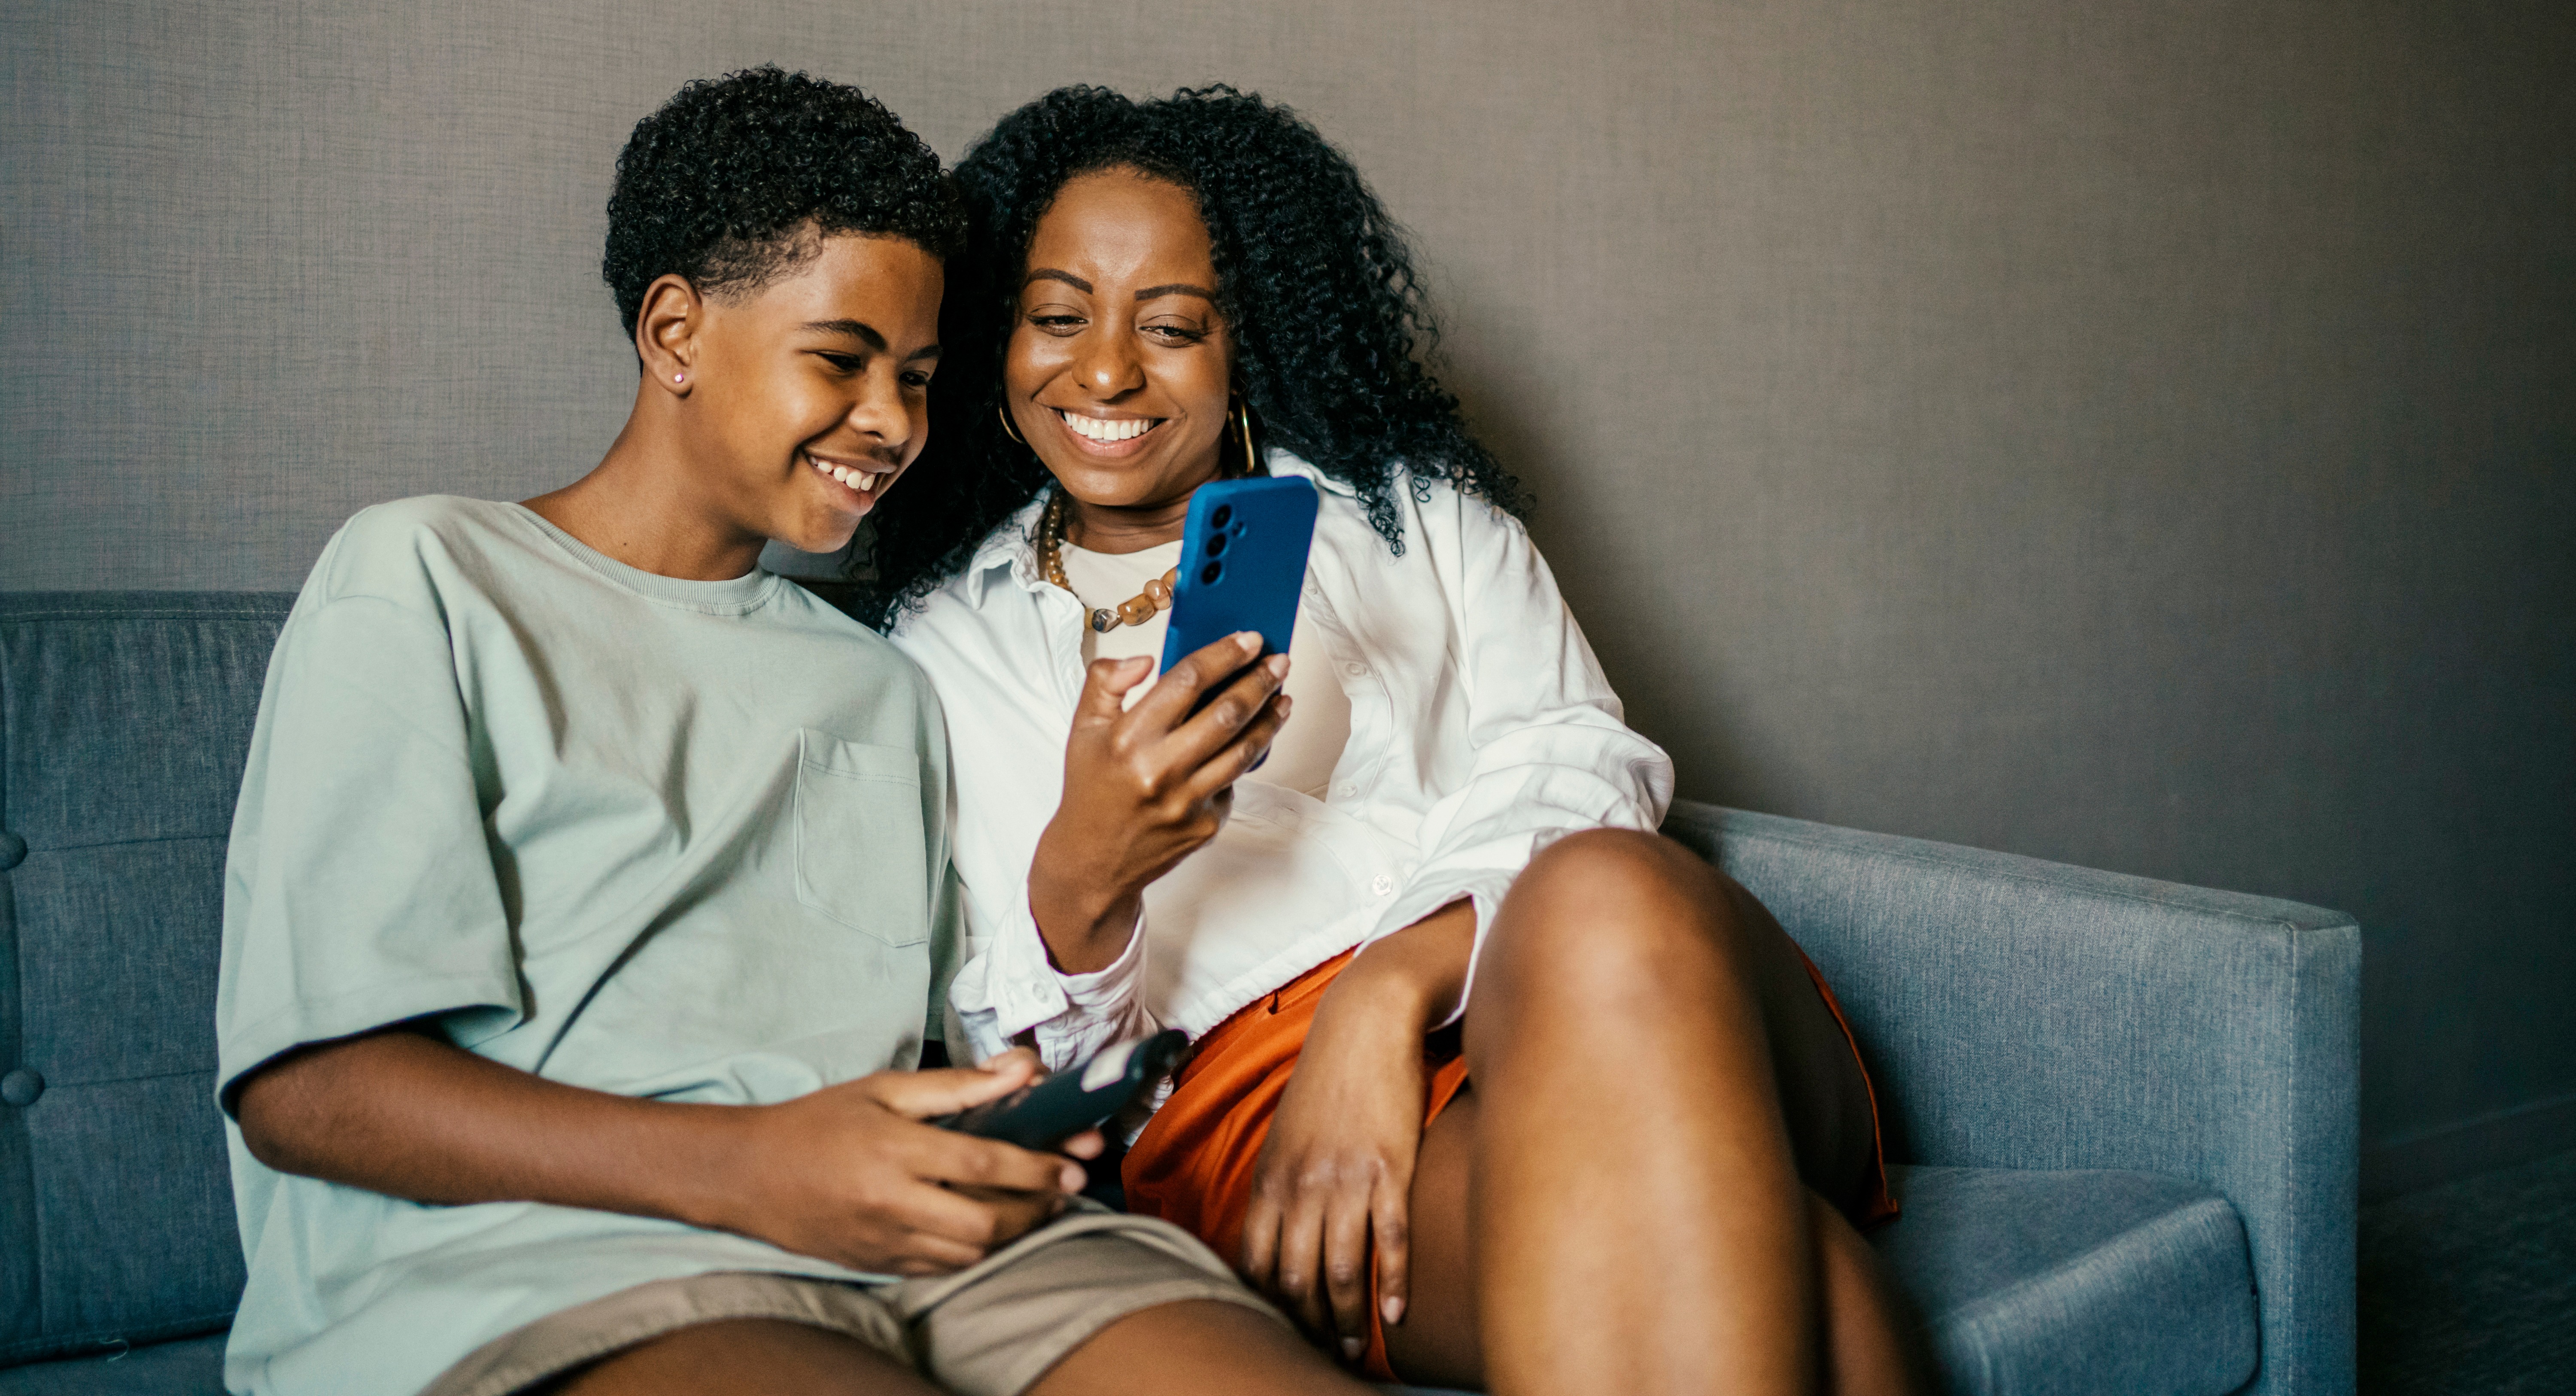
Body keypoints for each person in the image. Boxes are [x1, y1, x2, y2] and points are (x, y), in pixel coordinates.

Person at [214, 68, 1370, 1396]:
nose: (893, 423)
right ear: (674, 334)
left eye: (922, 378)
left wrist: (1070, 959)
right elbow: (311, 1092)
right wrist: (760, 1167)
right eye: (842, 359)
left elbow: (953, 1040)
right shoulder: (427, 575)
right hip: (567, 1265)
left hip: (939, 1257)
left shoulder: (882, 680)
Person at [870, 86, 1927, 1396]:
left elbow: (1587, 761)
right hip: (1254, 1094)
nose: (1105, 373)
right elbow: (1037, 1085)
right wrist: (1087, 873)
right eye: (1057, 317)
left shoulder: (1411, 512)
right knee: (1815, 1293)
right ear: (998, 338)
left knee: (1601, 888)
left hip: (1596, 973)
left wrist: (1388, 993)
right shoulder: (942, 650)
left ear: (1240, 337)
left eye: (1173, 326)